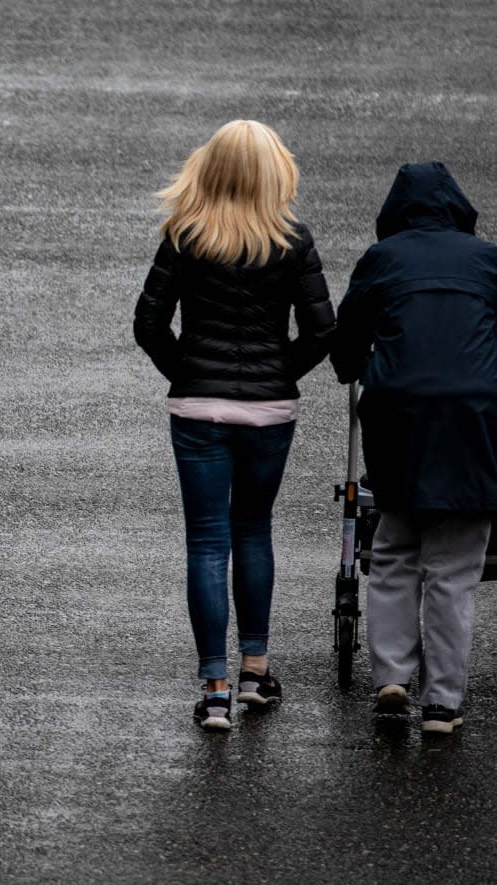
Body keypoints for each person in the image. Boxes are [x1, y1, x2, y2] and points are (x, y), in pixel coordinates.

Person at [133, 120, 335, 731]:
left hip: (198, 408)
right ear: (275, 171)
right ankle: (255, 671)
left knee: (205, 540)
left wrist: (189, 373)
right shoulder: (292, 240)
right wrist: (279, 374)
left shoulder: (185, 236)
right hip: (269, 411)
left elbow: (148, 324)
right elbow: (324, 331)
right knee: (253, 530)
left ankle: (213, 688)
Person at [331, 162, 497, 734]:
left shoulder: (384, 259)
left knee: (396, 548)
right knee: (452, 566)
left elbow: (348, 341)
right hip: (474, 418)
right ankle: (442, 703)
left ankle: (392, 677)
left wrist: (352, 366)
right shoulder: (487, 260)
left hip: (397, 415)